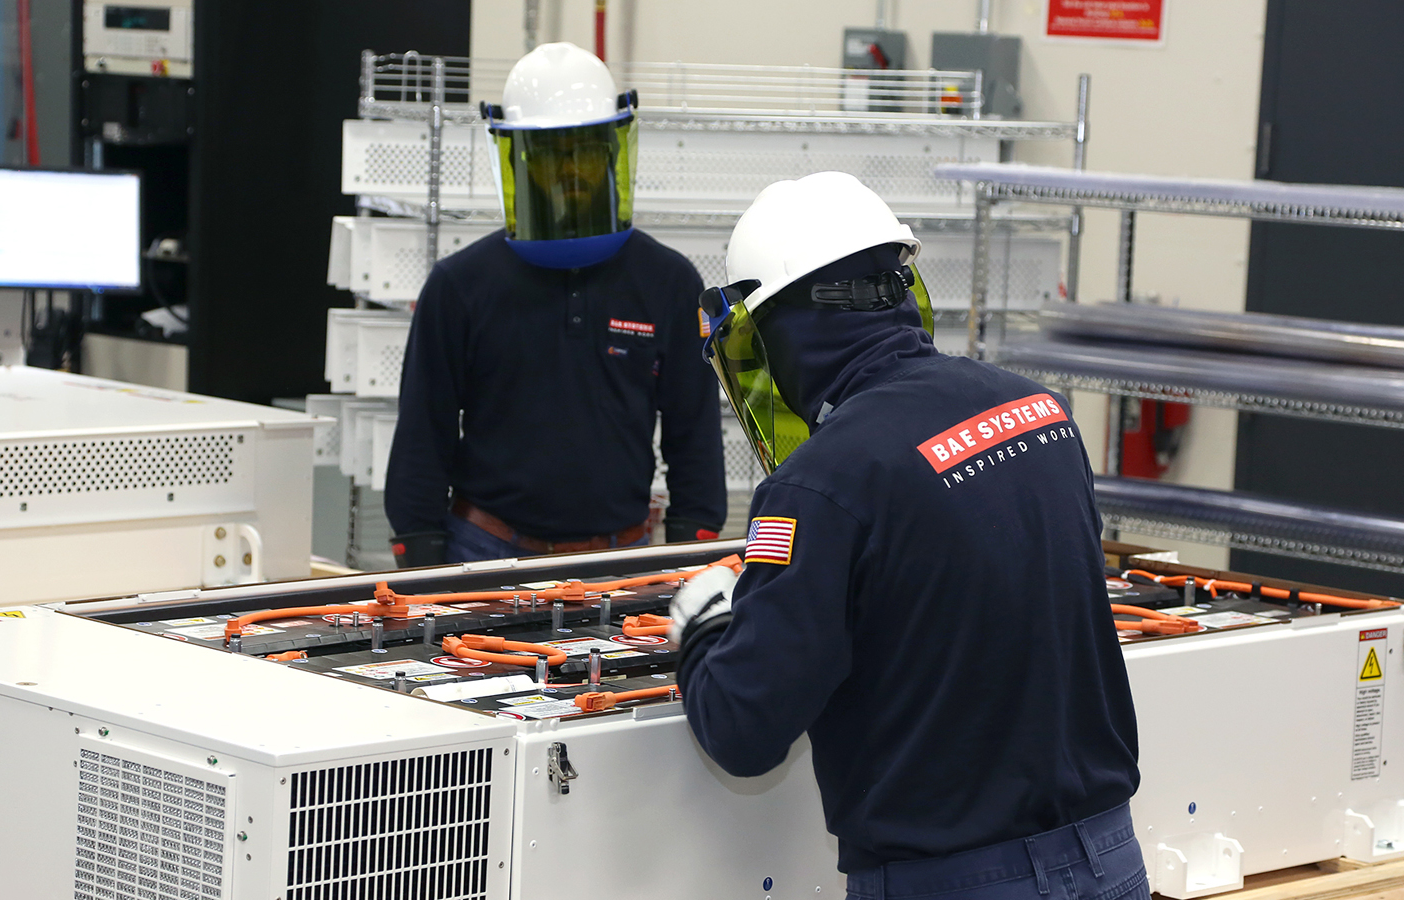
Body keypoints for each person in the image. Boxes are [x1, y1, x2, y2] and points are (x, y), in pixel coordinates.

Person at [669, 172, 1145, 900]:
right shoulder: (1040, 414)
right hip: (1110, 860)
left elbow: (744, 730)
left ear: (778, 329)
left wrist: (704, 625)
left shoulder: (820, 484)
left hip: (952, 880)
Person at [384, 43, 727, 567]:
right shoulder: (460, 285)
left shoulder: (668, 282)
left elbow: (694, 434)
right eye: (551, 152)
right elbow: (422, 432)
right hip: (485, 550)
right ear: (521, 157)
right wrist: (421, 557)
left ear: (612, 150)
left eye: (585, 148)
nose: (570, 168)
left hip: (622, 557)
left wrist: (694, 552)